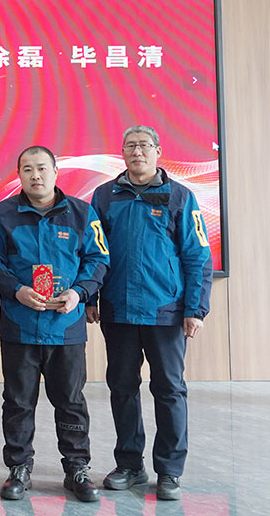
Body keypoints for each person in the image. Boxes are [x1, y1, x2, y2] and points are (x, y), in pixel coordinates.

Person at [88, 125, 213, 501]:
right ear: (122, 153)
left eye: (144, 145)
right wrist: (91, 297)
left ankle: (170, 470)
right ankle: (129, 464)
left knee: (169, 390)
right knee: (122, 388)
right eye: (130, 146)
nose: (137, 151)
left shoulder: (180, 196)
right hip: (118, 311)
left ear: (158, 151)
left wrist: (195, 309)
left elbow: (197, 256)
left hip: (166, 312)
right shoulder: (104, 196)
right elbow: (92, 253)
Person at [0, 146, 109, 502]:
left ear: (55, 171)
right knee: (18, 401)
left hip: (66, 327)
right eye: (27, 169)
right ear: (19, 175)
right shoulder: (2, 215)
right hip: (19, 325)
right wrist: (16, 290)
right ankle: (19, 468)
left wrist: (79, 293)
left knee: (70, 401)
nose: (35, 175)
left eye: (41, 168)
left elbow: (98, 259)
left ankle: (76, 468)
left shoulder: (82, 213)